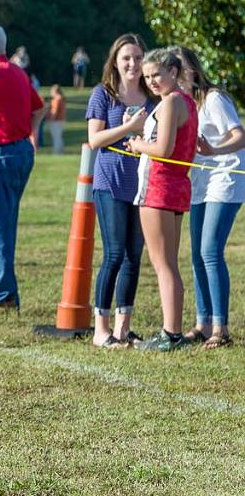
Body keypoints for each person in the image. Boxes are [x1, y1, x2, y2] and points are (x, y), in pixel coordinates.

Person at [0, 23, 45, 311]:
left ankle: (2, 295)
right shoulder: (17, 71)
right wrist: (27, 132)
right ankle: (6, 291)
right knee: (5, 221)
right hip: (20, 150)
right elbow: (38, 109)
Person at [84, 33, 153, 348]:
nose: (133, 64)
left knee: (133, 256)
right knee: (114, 253)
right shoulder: (103, 94)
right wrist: (129, 128)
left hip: (141, 184)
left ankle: (124, 329)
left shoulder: (153, 98)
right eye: (126, 57)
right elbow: (96, 140)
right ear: (115, 60)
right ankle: (101, 329)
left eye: (138, 57)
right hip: (109, 183)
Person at [129, 48, 198, 351]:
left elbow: (164, 148)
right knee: (169, 263)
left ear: (173, 71)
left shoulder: (171, 103)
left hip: (159, 187)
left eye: (157, 74)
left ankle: (171, 334)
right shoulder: (187, 101)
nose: (152, 81)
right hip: (176, 187)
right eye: (147, 77)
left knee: (163, 264)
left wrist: (137, 144)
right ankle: (173, 332)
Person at [177, 46, 245, 350]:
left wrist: (214, 151)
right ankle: (202, 324)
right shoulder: (183, 104)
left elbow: (239, 135)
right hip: (201, 183)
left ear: (192, 70)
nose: (176, 76)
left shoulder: (213, 98)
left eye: (179, 69)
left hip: (225, 180)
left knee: (210, 251)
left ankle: (221, 328)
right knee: (196, 255)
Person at [47, 85, 66, 155]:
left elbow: (54, 111)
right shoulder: (62, 100)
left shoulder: (56, 100)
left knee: (56, 137)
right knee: (59, 137)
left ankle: (56, 151)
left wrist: (51, 119)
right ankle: (60, 150)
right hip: (61, 120)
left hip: (56, 121)